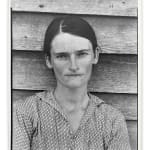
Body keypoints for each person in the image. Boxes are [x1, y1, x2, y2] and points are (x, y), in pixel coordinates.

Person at [13, 16, 131, 150]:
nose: (73, 66)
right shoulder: (25, 112)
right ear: (49, 60)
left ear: (95, 55)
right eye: (62, 56)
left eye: (81, 54)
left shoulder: (112, 120)